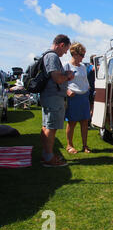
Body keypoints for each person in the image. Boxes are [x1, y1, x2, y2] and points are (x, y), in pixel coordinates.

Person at [40, 34, 75, 167]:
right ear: (61, 45)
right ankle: (49, 157)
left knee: (46, 126)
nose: (65, 52)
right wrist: (68, 75)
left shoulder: (47, 55)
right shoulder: (52, 56)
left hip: (49, 96)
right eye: (66, 49)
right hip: (53, 96)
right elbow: (58, 78)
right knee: (51, 127)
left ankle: (46, 154)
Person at [64, 43, 92, 154]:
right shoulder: (66, 65)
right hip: (73, 97)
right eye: (81, 54)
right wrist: (67, 91)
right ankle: (69, 145)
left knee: (85, 122)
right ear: (74, 53)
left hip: (84, 95)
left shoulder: (83, 66)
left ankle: (85, 146)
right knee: (72, 122)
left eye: (84, 55)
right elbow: (61, 81)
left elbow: (85, 80)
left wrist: (88, 89)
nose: (83, 57)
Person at [87, 54, 96, 125]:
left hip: (89, 89)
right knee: (91, 106)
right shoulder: (91, 67)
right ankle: (89, 121)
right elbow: (95, 68)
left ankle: (88, 121)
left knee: (90, 106)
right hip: (91, 89)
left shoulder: (87, 67)